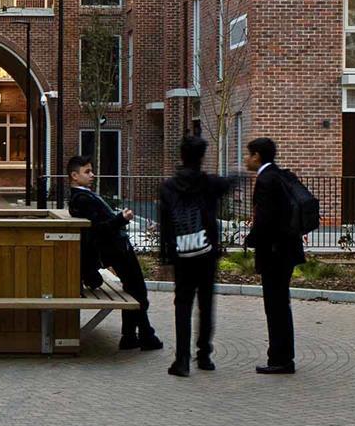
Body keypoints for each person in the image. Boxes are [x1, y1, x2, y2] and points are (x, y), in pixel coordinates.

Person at [65, 153, 158, 352]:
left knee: (135, 291)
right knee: (138, 291)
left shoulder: (82, 195)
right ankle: (143, 335)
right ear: (74, 175)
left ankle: (133, 336)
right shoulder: (81, 198)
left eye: (92, 171)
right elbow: (99, 229)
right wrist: (122, 219)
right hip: (117, 249)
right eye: (87, 172)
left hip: (116, 248)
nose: (92, 175)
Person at [157, 134, 231, 377]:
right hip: (207, 251)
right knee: (206, 302)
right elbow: (229, 183)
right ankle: (204, 355)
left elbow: (165, 224)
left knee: (183, 303)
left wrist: (166, 256)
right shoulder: (210, 184)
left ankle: (182, 360)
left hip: (182, 252)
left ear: (181, 155)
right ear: (202, 157)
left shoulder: (168, 188)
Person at [243, 136, 304, 375]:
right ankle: (283, 356)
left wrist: (251, 239)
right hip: (286, 251)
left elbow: (266, 220)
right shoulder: (279, 175)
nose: (246, 159)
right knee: (281, 304)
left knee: (275, 305)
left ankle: (280, 359)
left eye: (248, 154)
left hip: (275, 254)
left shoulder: (266, 180)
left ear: (257, 156)